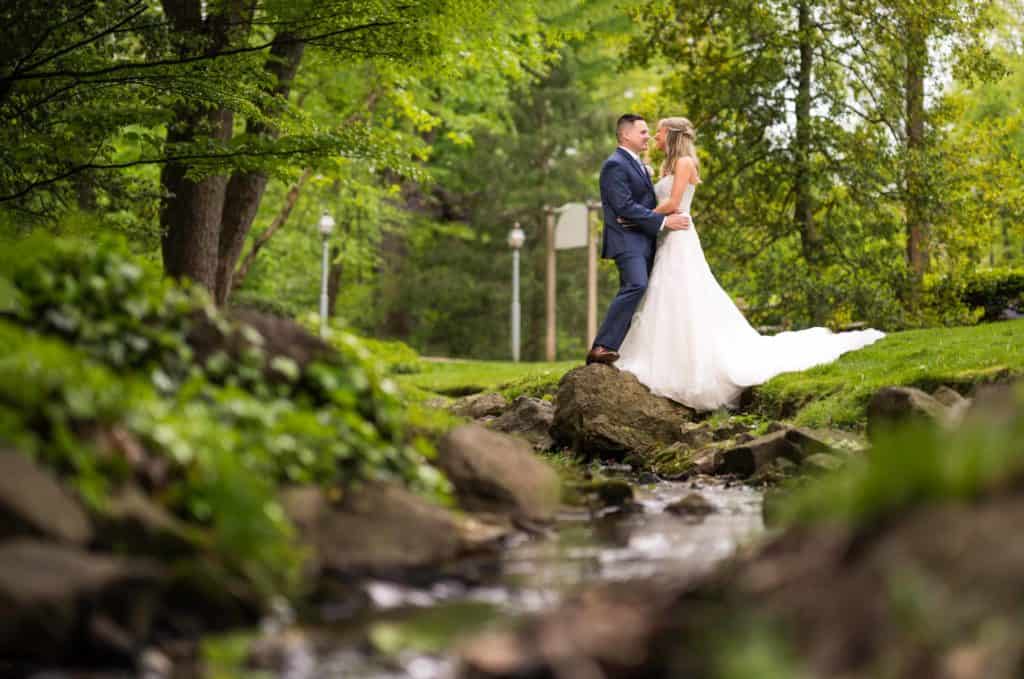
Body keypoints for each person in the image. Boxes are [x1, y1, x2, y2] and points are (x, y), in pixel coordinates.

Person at [612, 116, 885, 411]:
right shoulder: (667, 166)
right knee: (668, 297)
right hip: (668, 235)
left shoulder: (685, 163)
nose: (655, 136)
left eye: (659, 132)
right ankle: (668, 357)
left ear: (672, 135)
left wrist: (636, 218)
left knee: (682, 294)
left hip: (679, 237)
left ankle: (690, 365)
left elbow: (674, 202)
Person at [586, 114, 691, 366]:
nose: (648, 137)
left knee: (644, 293)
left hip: (644, 239)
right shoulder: (615, 165)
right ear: (626, 135)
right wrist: (663, 222)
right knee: (637, 285)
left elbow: (644, 203)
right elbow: (623, 206)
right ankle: (601, 347)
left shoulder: (638, 164)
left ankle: (618, 349)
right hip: (626, 240)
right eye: (643, 132)